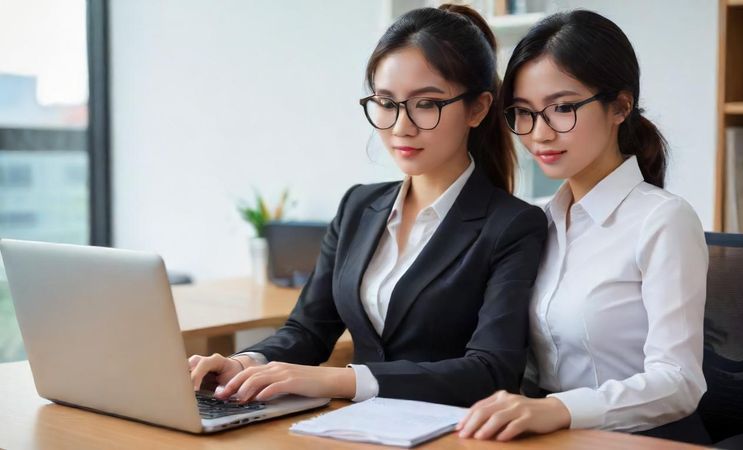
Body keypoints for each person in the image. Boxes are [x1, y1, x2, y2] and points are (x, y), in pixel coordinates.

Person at [188, 4, 547, 407]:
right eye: (387, 103)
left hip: (449, 432)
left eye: (426, 104)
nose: (400, 126)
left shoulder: (514, 225)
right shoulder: (359, 206)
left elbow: (490, 371)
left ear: (478, 108)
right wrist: (246, 363)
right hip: (354, 428)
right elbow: (308, 330)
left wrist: (340, 382)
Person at [457, 10, 710, 443]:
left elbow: (679, 381)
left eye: (562, 108)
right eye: (523, 112)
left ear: (621, 106)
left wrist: (556, 409)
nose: (539, 133)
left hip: (645, 439)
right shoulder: (534, 221)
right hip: (550, 436)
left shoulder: (663, 220)